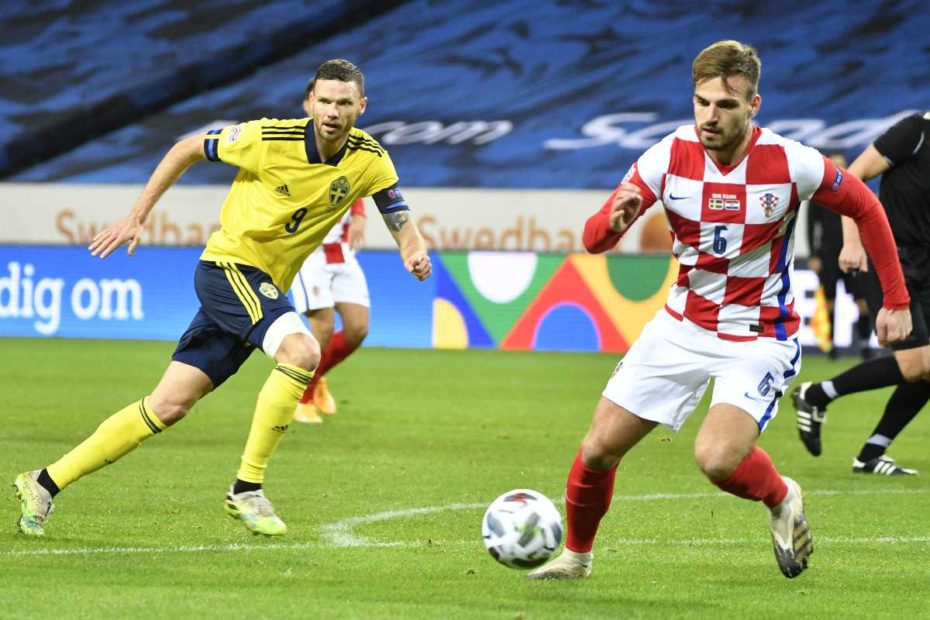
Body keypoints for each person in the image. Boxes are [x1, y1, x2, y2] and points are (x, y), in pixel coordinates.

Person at [527, 40, 912, 581]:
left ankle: (781, 497)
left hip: (758, 337)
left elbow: (865, 206)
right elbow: (594, 240)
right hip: (681, 326)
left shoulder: (790, 162)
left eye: (725, 105)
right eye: (701, 102)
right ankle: (577, 557)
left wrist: (895, 299)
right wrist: (614, 222)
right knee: (596, 450)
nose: (710, 116)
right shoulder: (667, 156)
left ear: (753, 106)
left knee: (717, 459)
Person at [13, 59, 432, 538]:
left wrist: (413, 249)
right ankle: (247, 488)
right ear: (308, 102)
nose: (333, 112)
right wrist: (137, 215)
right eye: (324, 100)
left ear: (361, 105)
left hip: (259, 285)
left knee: (168, 405)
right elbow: (187, 147)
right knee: (301, 350)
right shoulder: (267, 139)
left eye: (343, 102)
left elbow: (397, 212)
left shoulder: (370, 157)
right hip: (229, 268)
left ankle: (44, 482)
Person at [792, 111, 930, 475]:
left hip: (925, 268)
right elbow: (851, 180)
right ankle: (817, 394)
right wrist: (851, 242)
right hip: (887, 259)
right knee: (918, 363)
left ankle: (869, 451)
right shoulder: (915, 131)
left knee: (927, 367)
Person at [291, 199, 370, 424]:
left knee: (358, 329)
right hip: (310, 253)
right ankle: (302, 400)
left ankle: (316, 377)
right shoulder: (301, 164)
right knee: (323, 329)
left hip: (342, 252)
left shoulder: (346, 163)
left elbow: (356, 177)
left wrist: (359, 214)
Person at [805, 151, 873, 359]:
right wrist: (813, 255)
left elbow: (866, 221)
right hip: (827, 254)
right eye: (834, 166)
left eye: (841, 166)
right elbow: (811, 227)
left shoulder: (857, 192)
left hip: (852, 253)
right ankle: (831, 346)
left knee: (862, 302)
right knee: (829, 302)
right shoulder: (818, 195)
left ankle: (864, 344)